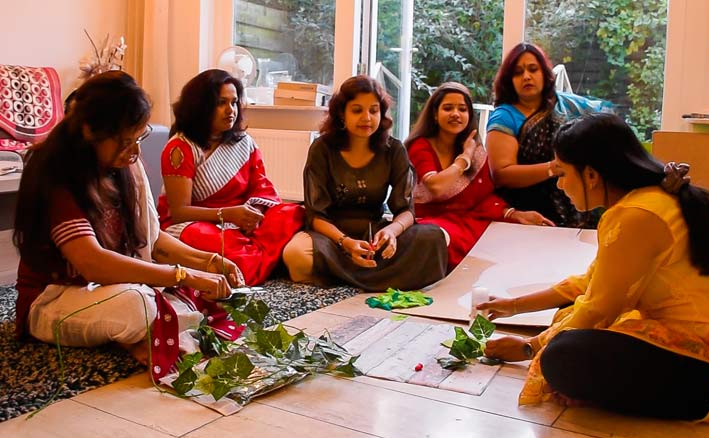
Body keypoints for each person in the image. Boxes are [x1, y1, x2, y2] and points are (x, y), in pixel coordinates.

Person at [477, 113, 709, 422]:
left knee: (563, 355)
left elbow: (599, 308)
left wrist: (529, 349)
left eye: (562, 173)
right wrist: (512, 307)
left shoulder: (636, 215)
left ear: (591, 176)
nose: (560, 185)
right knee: (567, 317)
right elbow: (589, 282)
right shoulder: (652, 200)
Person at [13, 71, 247, 380]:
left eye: (139, 138)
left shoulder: (122, 165)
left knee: (203, 300)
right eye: (126, 141)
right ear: (90, 130)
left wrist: (209, 261)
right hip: (54, 298)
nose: (135, 151)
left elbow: (150, 238)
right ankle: (140, 332)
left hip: (108, 289)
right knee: (139, 304)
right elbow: (93, 263)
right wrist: (184, 274)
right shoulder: (56, 173)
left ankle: (143, 333)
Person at [282, 75, 448, 291]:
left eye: (373, 110)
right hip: (332, 237)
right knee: (296, 255)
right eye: (357, 110)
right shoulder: (322, 149)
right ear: (342, 114)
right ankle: (379, 276)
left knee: (439, 237)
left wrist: (392, 233)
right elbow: (315, 215)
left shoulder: (394, 149)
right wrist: (346, 243)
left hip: (375, 235)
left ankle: (343, 276)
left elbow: (406, 210)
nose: (367, 118)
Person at [157, 69, 304, 286]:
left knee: (293, 213)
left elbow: (262, 188)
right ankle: (263, 261)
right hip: (198, 222)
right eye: (221, 103)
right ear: (201, 106)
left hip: (241, 219)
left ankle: (254, 257)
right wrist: (229, 215)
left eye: (234, 102)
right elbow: (179, 212)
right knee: (212, 241)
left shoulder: (243, 143)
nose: (230, 110)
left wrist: (255, 215)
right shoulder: (180, 148)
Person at [405, 82, 553, 271]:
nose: (456, 114)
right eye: (448, 108)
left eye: (462, 109)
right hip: (429, 223)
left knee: (512, 241)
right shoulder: (421, 146)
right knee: (438, 237)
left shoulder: (475, 150)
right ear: (434, 114)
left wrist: (515, 214)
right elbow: (436, 186)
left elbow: (482, 199)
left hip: (468, 221)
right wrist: (464, 158)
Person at [486, 42, 601, 228]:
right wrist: (552, 168)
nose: (526, 77)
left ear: (544, 74)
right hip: (528, 213)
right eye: (517, 72)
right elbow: (501, 174)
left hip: (577, 207)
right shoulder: (505, 116)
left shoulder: (565, 106)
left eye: (533, 69)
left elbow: (606, 125)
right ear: (509, 79)